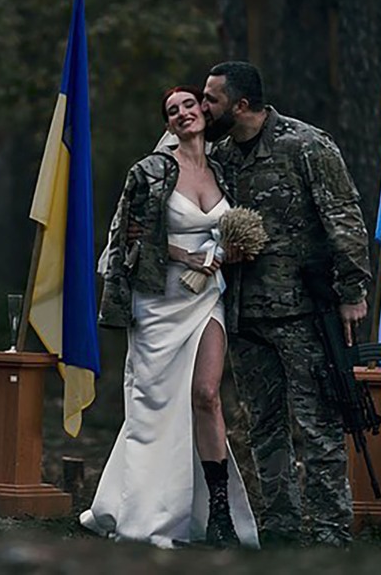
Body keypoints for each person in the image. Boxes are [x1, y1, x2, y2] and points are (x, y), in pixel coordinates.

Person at [81, 87, 259, 550]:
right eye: (172, 111)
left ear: (203, 110)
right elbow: (130, 241)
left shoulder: (224, 170)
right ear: (168, 125)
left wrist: (229, 251)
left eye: (189, 104)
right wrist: (185, 254)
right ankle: (140, 511)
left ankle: (220, 515)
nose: (183, 114)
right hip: (159, 304)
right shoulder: (149, 172)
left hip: (206, 301)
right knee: (155, 407)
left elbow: (233, 227)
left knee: (206, 396)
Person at [201, 61, 372, 547]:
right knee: (264, 428)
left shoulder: (306, 145)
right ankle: (279, 530)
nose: (204, 105)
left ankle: (331, 535)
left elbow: (343, 216)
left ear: (241, 104)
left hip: (302, 314)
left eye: (212, 99)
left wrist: (353, 292)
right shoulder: (223, 157)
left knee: (317, 429)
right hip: (244, 316)